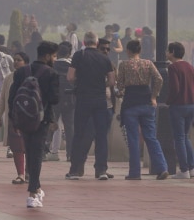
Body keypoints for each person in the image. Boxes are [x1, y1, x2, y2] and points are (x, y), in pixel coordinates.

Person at [9, 41, 59, 208]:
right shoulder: (51, 73)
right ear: (47, 56)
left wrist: (13, 119)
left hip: (23, 118)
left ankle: (36, 187)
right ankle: (32, 193)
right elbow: (54, 99)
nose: (55, 58)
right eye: (53, 55)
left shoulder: (22, 71)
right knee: (36, 154)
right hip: (41, 119)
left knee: (29, 151)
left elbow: (12, 97)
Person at [65, 32, 116, 181]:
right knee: (101, 136)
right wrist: (101, 85)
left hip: (83, 99)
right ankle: (101, 170)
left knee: (79, 133)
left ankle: (74, 170)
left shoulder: (79, 56)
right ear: (97, 42)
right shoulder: (104, 58)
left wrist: (80, 83)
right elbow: (112, 81)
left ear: (84, 42)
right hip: (100, 100)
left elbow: (70, 77)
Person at [116, 39, 168, 180]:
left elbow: (119, 84)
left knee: (133, 139)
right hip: (147, 103)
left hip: (130, 103)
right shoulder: (148, 63)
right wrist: (154, 96)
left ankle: (135, 172)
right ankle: (162, 168)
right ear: (139, 51)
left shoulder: (124, 65)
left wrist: (120, 91)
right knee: (151, 137)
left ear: (128, 51)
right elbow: (159, 79)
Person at [0, 52, 31, 184]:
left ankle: (29, 172)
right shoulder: (9, 78)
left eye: (19, 60)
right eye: (15, 60)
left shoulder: (33, 77)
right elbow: (3, 99)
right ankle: (20, 174)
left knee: (30, 146)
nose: (16, 62)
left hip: (30, 118)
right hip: (13, 117)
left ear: (26, 62)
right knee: (17, 147)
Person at [166, 42, 194, 178]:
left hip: (178, 106)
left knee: (179, 138)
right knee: (186, 137)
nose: (166, 53)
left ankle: (184, 170)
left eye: (167, 51)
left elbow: (175, 88)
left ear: (172, 52)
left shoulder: (173, 68)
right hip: (191, 105)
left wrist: (168, 102)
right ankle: (192, 167)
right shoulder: (190, 66)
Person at [51, 41, 76, 162]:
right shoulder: (72, 66)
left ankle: (48, 150)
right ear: (69, 53)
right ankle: (70, 154)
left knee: (51, 124)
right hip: (69, 99)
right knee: (69, 127)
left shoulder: (52, 65)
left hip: (54, 99)